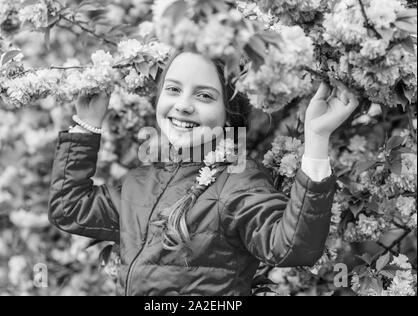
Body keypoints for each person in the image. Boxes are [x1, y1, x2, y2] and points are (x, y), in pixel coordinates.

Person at [48, 51, 359, 295]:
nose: (183, 105)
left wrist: (317, 140)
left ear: (229, 114)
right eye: (173, 89)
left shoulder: (237, 183)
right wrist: (86, 124)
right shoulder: (138, 182)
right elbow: (69, 208)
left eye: (205, 95)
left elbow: (292, 247)